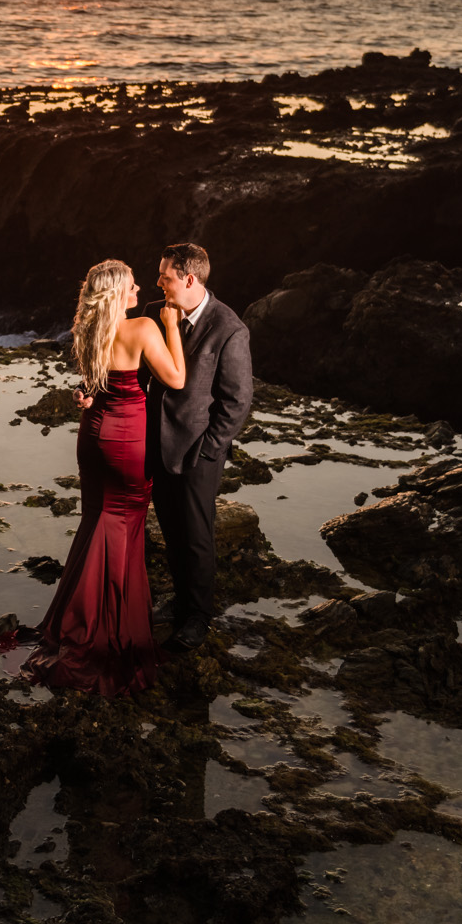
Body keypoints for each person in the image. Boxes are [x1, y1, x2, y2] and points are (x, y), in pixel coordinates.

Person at [22, 259, 186, 696]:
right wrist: (171, 325)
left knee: (97, 520)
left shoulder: (89, 330)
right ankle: (106, 627)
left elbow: (92, 386)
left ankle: (78, 618)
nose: (138, 290)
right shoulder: (144, 328)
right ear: (116, 293)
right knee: (124, 524)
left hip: (93, 436)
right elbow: (177, 378)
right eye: (132, 286)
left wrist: (85, 393)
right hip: (128, 439)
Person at [143, 242, 254, 653]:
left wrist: (209, 450)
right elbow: (141, 373)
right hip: (155, 444)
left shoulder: (229, 328)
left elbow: (237, 400)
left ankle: (198, 616)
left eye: (165, 276)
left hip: (197, 453)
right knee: (171, 532)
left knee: (196, 536)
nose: (158, 282)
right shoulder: (156, 312)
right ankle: (180, 600)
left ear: (188, 279)